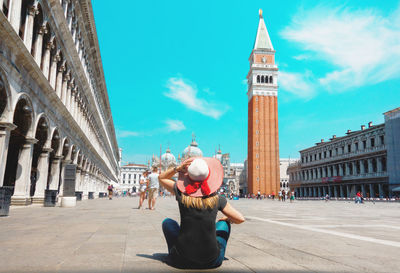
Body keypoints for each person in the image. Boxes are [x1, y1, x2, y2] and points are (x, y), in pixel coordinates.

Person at [159, 157, 245, 269]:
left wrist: (177, 169)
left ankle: (174, 251)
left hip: (181, 259)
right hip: (212, 261)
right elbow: (240, 219)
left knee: (167, 222)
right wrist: (228, 219)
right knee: (224, 224)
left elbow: (161, 178)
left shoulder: (181, 193)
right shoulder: (218, 198)